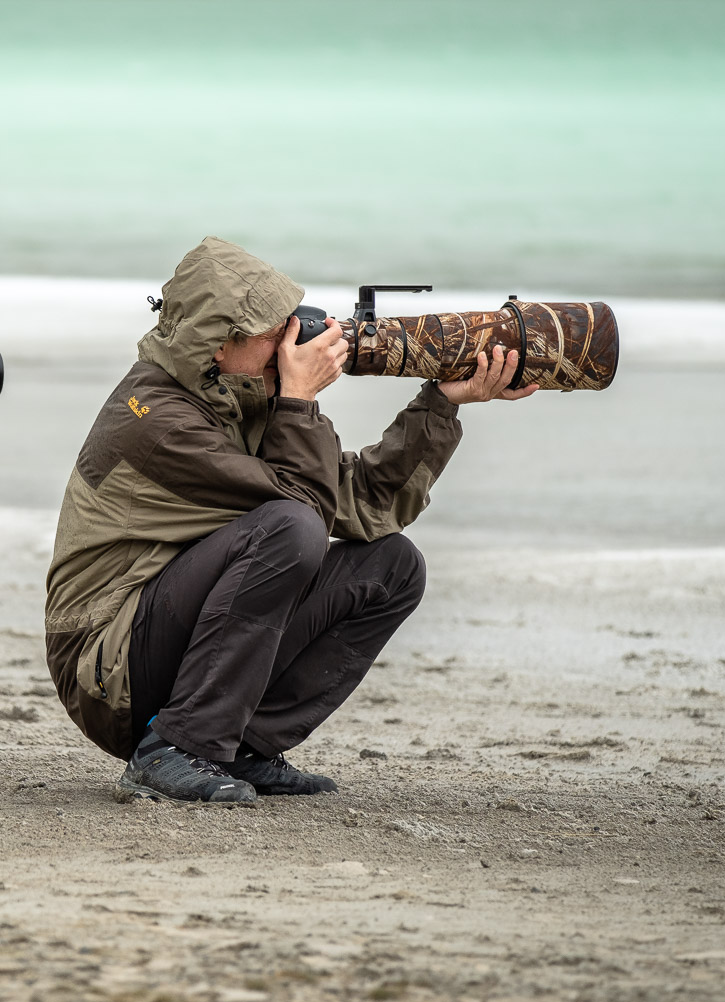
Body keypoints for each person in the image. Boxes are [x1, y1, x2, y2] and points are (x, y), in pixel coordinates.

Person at [44, 237, 535, 804]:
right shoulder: (157, 418)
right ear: (218, 342)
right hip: (107, 673)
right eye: (273, 331)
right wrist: (298, 398)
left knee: (393, 567)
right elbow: (301, 511)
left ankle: (241, 745)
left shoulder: (238, 393)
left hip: (165, 647)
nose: (291, 339)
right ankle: (177, 747)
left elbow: (360, 503)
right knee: (290, 530)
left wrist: (442, 402)